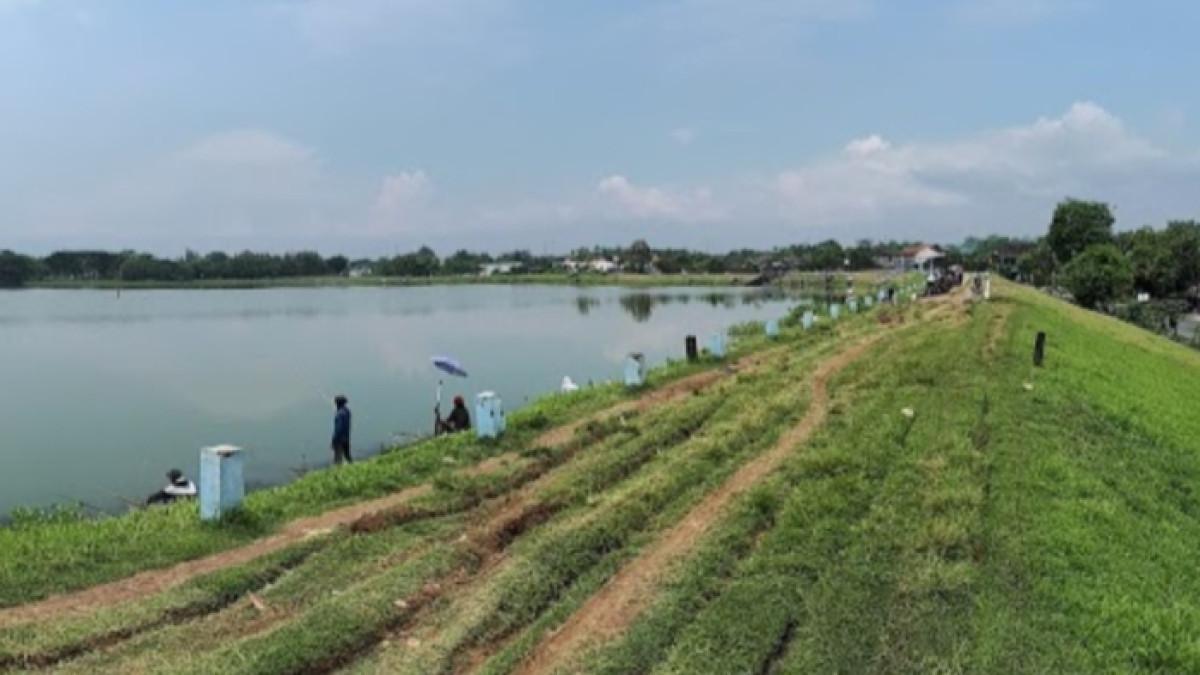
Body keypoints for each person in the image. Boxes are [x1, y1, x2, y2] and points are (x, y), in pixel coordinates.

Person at [332, 394, 352, 465]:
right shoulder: (347, 412)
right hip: (346, 437)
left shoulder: (339, 414)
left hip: (339, 439)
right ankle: (352, 467)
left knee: (338, 458)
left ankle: (338, 470)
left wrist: (334, 440)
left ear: (337, 403)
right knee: (347, 456)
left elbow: (338, 429)